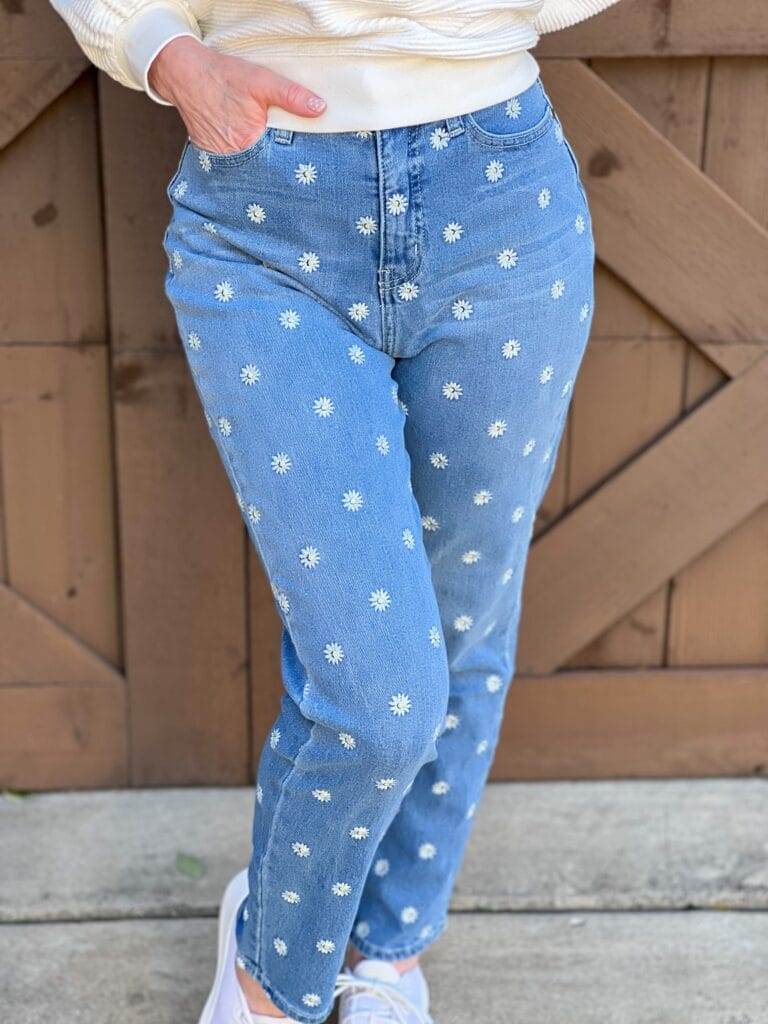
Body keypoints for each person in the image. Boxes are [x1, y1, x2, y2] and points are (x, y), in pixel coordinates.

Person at [49, 1, 620, 1021]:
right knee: (381, 692)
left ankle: (388, 955)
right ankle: (272, 979)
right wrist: (162, 52)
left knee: (464, 621)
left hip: (500, 197)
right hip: (263, 211)